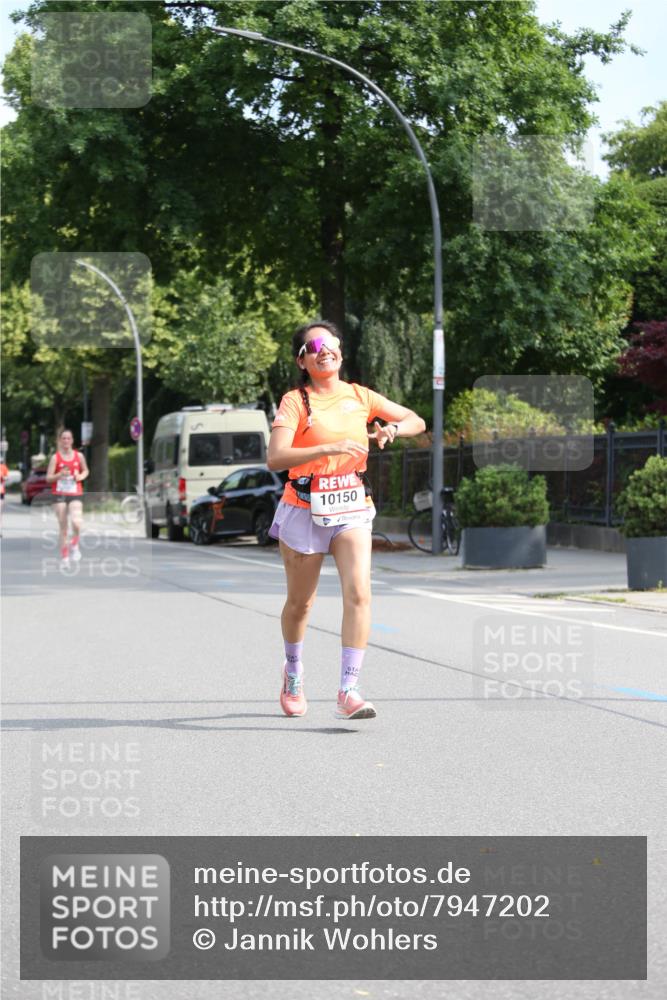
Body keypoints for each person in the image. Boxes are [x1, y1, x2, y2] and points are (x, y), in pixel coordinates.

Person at [267, 320, 426, 720]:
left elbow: (415, 420)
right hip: (304, 505)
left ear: (341, 350)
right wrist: (331, 444)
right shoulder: (295, 402)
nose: (325, 349)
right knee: (301, 604)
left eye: (331, 342)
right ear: (302, 360)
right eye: (314, 345)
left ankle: (349, 689)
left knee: (359, 593)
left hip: (351, 502)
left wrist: (391, 428)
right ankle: (293, 670)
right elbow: (276, 457)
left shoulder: (360, 395)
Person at [45, 429, 90, 568]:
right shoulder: (55, 458)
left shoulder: (79, 456)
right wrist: (59, 475)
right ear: (60, 441)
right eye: (63, 438)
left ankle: (74, 544)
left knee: (77, 522)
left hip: (75, 493)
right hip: (59, 494)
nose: (66, 441)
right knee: (63, 527)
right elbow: (48, 478)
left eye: (68, 438)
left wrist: (80, 477)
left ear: (72, 440)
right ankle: (65, 557)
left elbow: (86, 471)